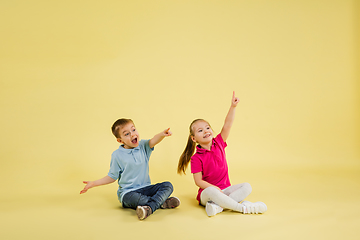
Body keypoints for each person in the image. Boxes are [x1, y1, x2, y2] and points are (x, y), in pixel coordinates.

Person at [177, 91, 267, 217]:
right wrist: (214, 188)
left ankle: (218, 207)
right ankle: (243, 208)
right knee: (211, 192)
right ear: (194, 139)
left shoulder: (219, 142)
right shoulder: (196, 158)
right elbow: (198, 181)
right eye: (200, 130)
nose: (206, 131)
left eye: (207, 128)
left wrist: (233, 107)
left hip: (226, 191)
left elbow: (227, 125)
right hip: (208, 194)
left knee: (247, 187)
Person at [80, 118, 180, 220]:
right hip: (129, 193)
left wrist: (162, 134)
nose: (132, 134)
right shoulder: (117, 155)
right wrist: (93, 183)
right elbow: (112, 177)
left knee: (168, 185)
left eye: (133, 130)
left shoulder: (143, 146)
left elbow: (154, 140)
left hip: (146, 188)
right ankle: (161, 202)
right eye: (126, 134)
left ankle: (149, 208)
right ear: (120, 140)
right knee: (138, 199)